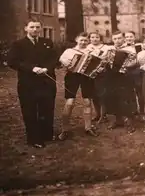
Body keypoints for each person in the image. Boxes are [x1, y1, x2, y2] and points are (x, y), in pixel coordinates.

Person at [7, 19, 58, 148]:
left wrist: (47, 68)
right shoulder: (18, 44)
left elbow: (54, 58)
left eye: (37, 27)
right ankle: (34, 138)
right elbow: (12, 61)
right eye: (32, 27)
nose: (35, 30)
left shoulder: (47, 42)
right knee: (30, 110)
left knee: (46, 108)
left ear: (40, 28)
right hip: (28, 83)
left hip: (47, 81)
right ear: (26, 28)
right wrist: (32, 68)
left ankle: (47, 134)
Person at [58, 33, 99, 140]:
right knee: (70, 102)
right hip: (72, 76)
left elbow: (97, 65)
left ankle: (88, 127)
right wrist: (70, 64)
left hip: (86, 76)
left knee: (87, 101)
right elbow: (63, 62)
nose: (83, 42)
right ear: (77, 39)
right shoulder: (69, 51)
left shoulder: (92, 52)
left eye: (86, 40)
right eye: (81, 40)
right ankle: (65, 130)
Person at [105, 31, 138, 133]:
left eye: (119, 38)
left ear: (123, 39)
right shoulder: (110, 49)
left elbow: (134, 62)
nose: (117, 41)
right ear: (112, 39)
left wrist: (126, 67)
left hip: (125, 77)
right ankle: (117, 120)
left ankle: (129, 121)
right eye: (115, 39)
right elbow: (105, 63)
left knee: (126, 98)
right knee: (113, 97)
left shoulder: (129, 49)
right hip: (112, 77)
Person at [86, 32, 108, 122]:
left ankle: (104, 115)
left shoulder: (106, 48)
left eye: (97, 37)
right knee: (93, 95)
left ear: (100, 38)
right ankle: (97, 114)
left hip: (102, 74)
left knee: (102, 94)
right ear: (90, 39)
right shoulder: (87, 48)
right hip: (90, 74)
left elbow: (107, 60)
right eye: (92, 37)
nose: (95, 39)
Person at [124, 31, 145, 116]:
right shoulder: (123, 48)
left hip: (138, 72)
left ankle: (142, 112)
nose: (129, 38)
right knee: (130, 93)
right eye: (127, 37)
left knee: (140, 93)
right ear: (125, 38)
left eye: (131, 36)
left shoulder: (139, 46)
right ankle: (134, 110)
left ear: (134, 37)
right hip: (127, 72)